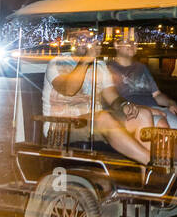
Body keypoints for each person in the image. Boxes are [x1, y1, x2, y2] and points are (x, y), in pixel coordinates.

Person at [42, 28, 154, 165]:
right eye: (83, 39)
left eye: (90, 39)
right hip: (62, 127)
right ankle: (151, 163)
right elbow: (69, 90)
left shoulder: (100, 65)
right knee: (103, 118)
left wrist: (125, 105)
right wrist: (85, 61)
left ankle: (146, 177)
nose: (88, 43)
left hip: (95, 123)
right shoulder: (57, 63)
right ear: (72, 41)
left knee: (143, 114)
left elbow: (112, 96)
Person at [105, 37, 177, 130]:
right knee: (162, 125)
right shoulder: (108, 68)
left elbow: (156, 95)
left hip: (155, 108)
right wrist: (149, 110)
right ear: (116, 45)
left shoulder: (141, 67)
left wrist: (171, 103)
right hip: (133, 112)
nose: (132, 45)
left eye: (134, 42)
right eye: (127, 42)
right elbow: (113, 100)